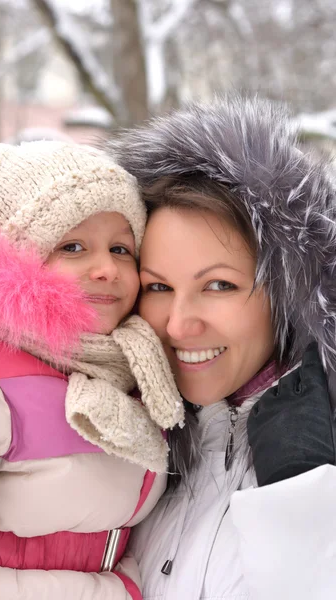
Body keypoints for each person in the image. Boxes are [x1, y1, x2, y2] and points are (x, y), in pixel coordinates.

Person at [108, 95, 336, 600]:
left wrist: (299, 498)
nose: (180, 326)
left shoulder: (321, 457)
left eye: (219, 286)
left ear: (288, 293)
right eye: (158, 287)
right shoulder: (126, 445)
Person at [0, 141, 184, 600]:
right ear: (14, 261)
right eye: (72, 247)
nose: (106, 268)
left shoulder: (135, 369)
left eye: (120, 248)